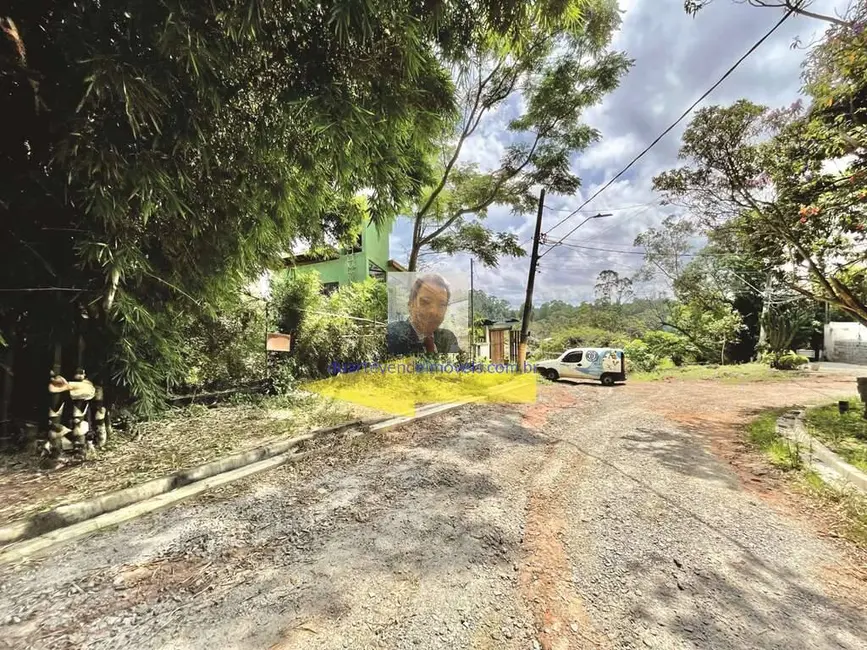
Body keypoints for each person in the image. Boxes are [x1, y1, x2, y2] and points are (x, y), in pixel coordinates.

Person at [387, 273, 461, 356]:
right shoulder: (392, 336)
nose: (434, 312)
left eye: (442, 305)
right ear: (411, 304)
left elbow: (459, 364)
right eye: (425, 302)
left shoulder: (449, 339)